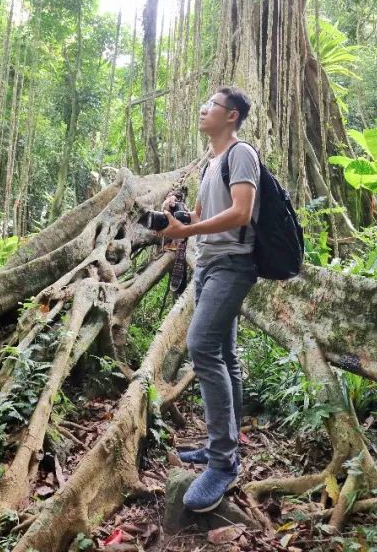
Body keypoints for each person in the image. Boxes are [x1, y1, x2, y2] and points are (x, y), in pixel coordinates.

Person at [157, 86, 260, 513]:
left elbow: (241, 212)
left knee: (201, 347)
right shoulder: (212, 163)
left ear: (231, 115)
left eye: (211, 106)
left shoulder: (241, 155)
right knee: (225, 354)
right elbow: (200, 218)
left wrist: (186, 233)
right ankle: (226, 445)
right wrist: (175, 218)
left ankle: (222, 463)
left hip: (234, 264)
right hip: (208, 265)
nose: (203, 109)